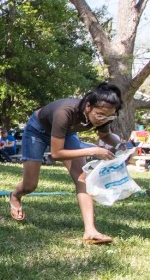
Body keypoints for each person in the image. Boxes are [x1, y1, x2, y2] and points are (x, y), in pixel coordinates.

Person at [9, 83, 125, 244]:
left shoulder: (103, 114)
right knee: (30, 185)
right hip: (37, 130)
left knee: (82, 178)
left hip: (67, 133)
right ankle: (15, 196)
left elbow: (105, 136)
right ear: (88, 106)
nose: (103, 120)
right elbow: (57, 154)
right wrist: (93, 150)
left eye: (108, 117)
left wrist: (123, 145)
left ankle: (90, 231)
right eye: (99, 115)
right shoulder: (65, 112)